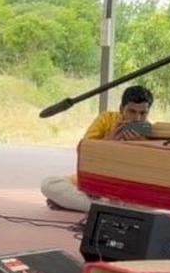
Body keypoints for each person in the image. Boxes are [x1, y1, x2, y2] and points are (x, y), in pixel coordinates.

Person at [40, 85, 153, 213]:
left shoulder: (151, 133)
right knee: (49, 184)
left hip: (125, 189)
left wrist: (141, 147)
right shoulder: (106, 119)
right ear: (121, 109)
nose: (137, 118)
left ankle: (86, 205)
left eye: (143, 113)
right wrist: (109, 142)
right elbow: (83, 150)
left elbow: (149, 173)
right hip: (94, 183)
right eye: (132, 111)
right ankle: (112, 209)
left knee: (149, 201)